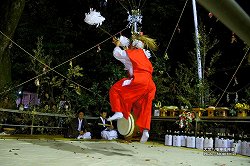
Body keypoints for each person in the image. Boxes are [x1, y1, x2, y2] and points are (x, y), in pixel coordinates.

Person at [107, 34, 157, 143]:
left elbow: (117, 54)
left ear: (133, 46)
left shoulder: (132, 53)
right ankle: (145, 131)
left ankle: (119, 111)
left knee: (115, 89)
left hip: (140, 80)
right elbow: (127, 62)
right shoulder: (143, 55)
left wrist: (117, 45)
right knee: (142, 107)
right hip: (150, 85)